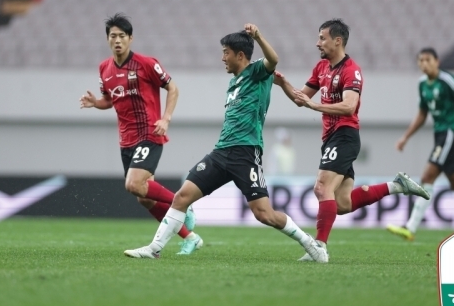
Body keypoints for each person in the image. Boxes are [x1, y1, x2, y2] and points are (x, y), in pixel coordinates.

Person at [124, 24, 327, 261]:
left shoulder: (256, 72)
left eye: (226, 52)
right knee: (182, 197)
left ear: (240, 55)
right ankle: (154, 248)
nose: (222, 58)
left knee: (264, 214)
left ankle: (312, 246)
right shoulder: (234, 81)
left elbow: (273, 60)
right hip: (221, 152)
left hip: (246, 153)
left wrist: (258, 36)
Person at [273, 19, 429, 263]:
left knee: (321, 188)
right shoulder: (321, 67)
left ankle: (319, 248)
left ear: (338, 40)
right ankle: (398, 186)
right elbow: (300, 98)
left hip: (345, 135)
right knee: (342, 203)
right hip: (331, 138)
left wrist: (315, 105)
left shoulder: (351, 70)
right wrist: (282, 83)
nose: (317, 43)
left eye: (322, 38)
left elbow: (349, 106)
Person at [79, 13, 202, 255]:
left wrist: (165, 119)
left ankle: (184, 206)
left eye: (122, 36)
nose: (117, 40)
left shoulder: (146, 64)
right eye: (113, 36)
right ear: (107, 40)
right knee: (144, 197)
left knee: (133, 184)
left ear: (130, 38)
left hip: (149, 132)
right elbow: (110, 100)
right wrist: (96, 103)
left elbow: (173, 88)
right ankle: (190, 238)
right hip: (126, 140)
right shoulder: (104, 68)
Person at [387, 47, 454, 241]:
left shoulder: (448, 81)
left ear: (437, 61)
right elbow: (422, 114)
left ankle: (410, 227)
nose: (423, 63)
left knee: (428, 175)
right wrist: (405, 137)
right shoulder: (422, 84)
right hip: (440, 135)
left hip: (451, 133)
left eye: (427, 60)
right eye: (420, 60)